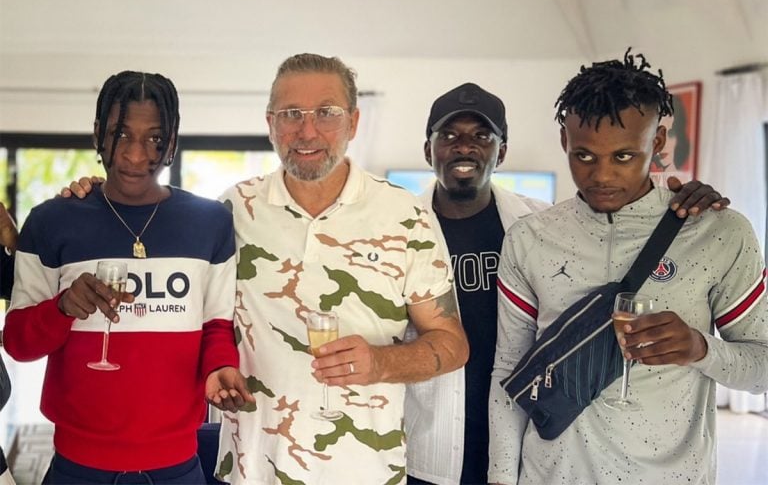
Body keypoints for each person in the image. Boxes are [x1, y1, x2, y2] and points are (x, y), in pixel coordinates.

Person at [405, 83, 731, 485]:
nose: (465, 147)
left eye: (482, 136)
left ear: (501, 152)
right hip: (433, 438)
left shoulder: (535, 227)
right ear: (428, 150)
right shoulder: (398, 231)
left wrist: (682, 205)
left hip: (532, 429)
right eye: (450, 135)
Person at [488, 49, 768, 484]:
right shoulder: (529, 239)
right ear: (564, 141)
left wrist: (701, 348)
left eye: (623, 156)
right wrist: (502, 478)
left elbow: (762, 369)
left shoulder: (719, 232)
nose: (602, 175)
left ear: (656, 142)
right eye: (584, 156)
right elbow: (508, 371)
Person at [208, 53, 468, 485]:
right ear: (270, 123)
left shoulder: (405, 215)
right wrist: (100, 195)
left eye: (326, 113)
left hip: (368, 472)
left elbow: (452, 344)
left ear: (354, 121)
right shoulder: (233, 209)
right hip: (250, 472)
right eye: (291, 114)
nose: (307, 131)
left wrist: (381, 363)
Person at [2, 71, 253, 484]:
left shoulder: (210, 223)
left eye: (155, 138)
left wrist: (220, 367)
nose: (136, 155)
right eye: (121, 135)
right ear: (98, 135)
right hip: (76, 470)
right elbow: (18, 343)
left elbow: (216, 326)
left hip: (178, 469)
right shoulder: (51, 221)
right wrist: (63, 308)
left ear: (172, 143)